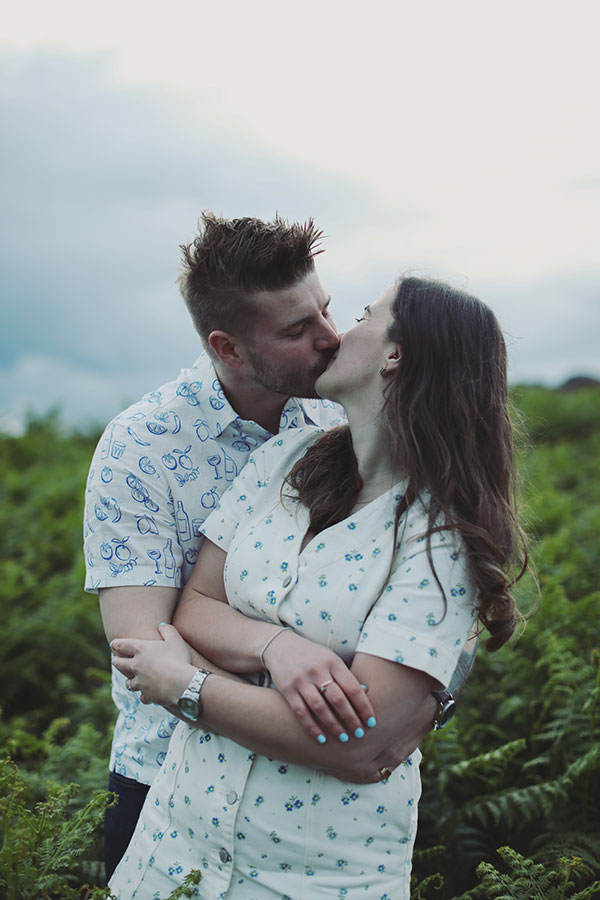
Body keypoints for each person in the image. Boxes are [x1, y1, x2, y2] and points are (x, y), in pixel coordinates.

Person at [109, 276, 526, 899]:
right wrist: (280, 650)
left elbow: (367, 745)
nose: (336, 334)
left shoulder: (443, 537)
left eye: (360, 314)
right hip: (171, 849)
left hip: (314, 873)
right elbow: (194, 607)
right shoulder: (287, 458)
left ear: (396, 355)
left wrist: (188, 687)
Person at [83, 215, 446, 881]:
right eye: (296, 330)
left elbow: (415, 599)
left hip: (312, 817)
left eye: (327, 309)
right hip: (165, 792)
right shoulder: (141, 446)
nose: (330, 337)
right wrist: (285, 664)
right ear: (228, 347)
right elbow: (144, 649)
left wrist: (411, 700)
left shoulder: (343, 418)